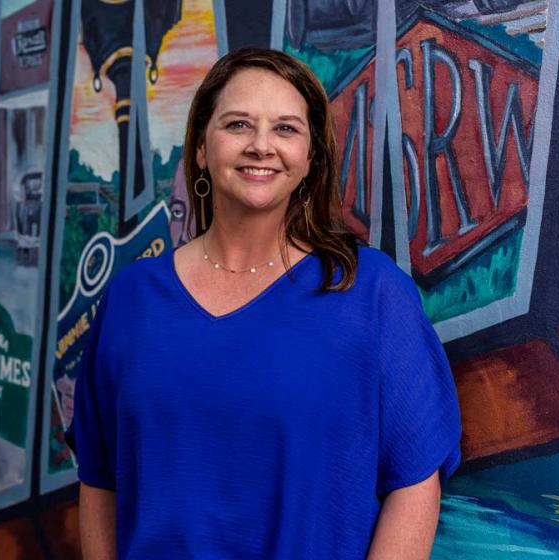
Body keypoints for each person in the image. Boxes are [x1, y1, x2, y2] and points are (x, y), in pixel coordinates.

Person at [70, 47, 462, 559]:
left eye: (286, 129)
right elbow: (99, 481)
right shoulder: (131, 299)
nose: (261, 146)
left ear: (310, 159)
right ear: (202, 149)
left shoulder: (369, 293)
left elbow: (415, 485)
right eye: (237, 125)